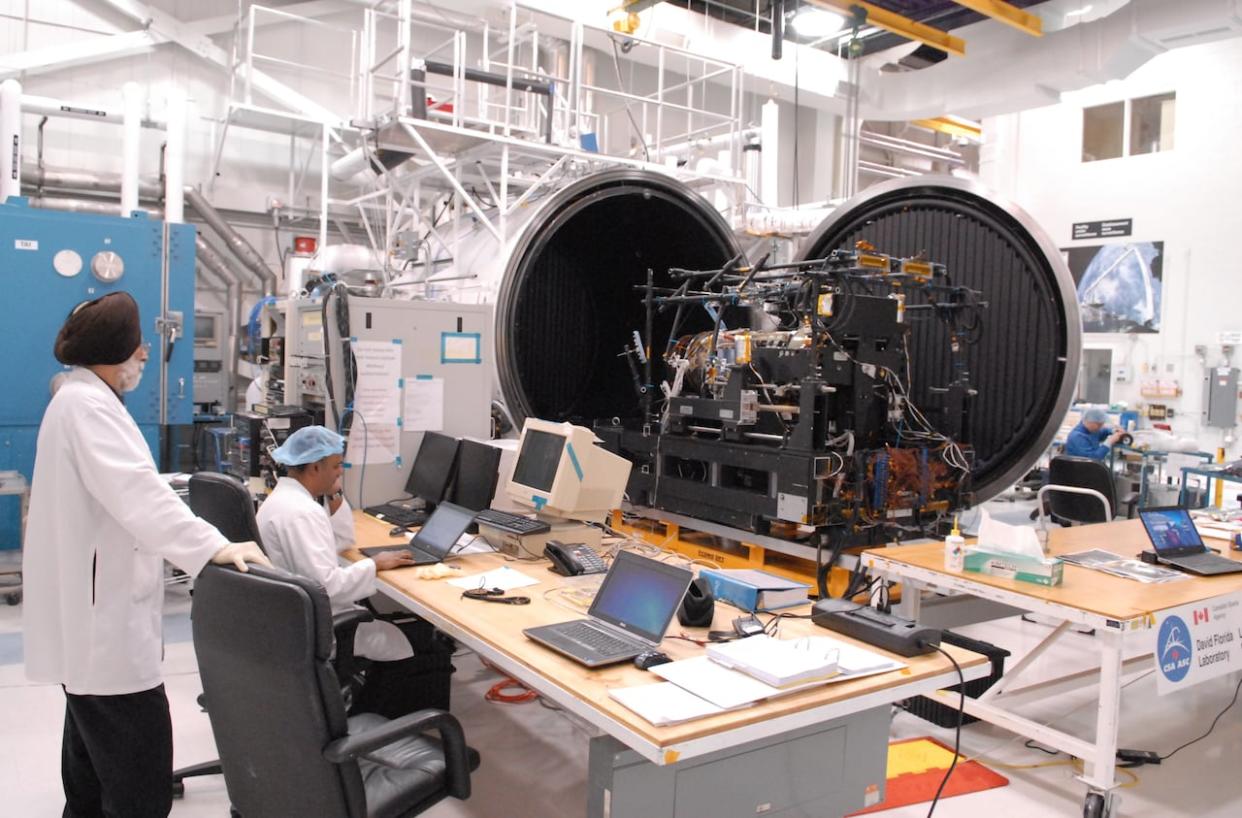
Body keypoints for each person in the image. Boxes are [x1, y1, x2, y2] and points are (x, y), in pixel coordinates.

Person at [23, 291, 271, 818]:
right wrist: (215, 546)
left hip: (90, 631)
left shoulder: (77, 398)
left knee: (91, 766)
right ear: (117, 350)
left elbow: (123, 486)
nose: (144, 355)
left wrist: (172, 492)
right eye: (139, 346)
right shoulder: (89, 405)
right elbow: (136, 495)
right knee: (137, 781)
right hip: (105, 634)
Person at [256, 425, 416, 661]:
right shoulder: (302, 512)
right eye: (335, 466)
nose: (340, 472)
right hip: (317, 628)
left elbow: (340, 541)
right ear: (315, 467)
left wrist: (334, 493)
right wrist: (375, 564)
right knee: (400, 641)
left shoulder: (284, 500)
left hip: (293, 619)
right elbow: (327, 588)